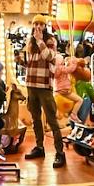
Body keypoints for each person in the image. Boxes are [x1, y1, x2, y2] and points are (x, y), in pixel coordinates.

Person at [18, 22, 67, 168]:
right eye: (36, 24)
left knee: (52, 120)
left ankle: (60, 152)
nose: (38, 26)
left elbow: (49, 57)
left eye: (41, 24)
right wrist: (22, 62)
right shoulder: (31, 42)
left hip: (45, 86)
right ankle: (39, 147)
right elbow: (33, 63)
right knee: (35, 118)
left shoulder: (50, 40)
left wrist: (40, 40)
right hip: (31, 85)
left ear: (45, 26)